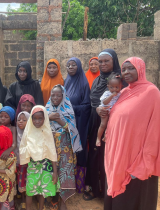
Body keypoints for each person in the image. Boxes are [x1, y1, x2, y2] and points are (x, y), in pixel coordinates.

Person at [104, 57, 160, 210]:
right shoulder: (124, 92)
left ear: (140, 69)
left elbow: (155, 131)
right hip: (117, 156)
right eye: (124, 69)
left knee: (132, 199)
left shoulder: (151, 92)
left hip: (136, 160)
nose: (126, 72)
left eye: (131, 68)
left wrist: (144, 162)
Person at [84, 49, 127, 201]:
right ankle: (96, 189)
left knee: (108, 158)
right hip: (96, 123)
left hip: (113, 125)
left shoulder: (119, 79)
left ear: (114, 61)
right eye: (100, 61)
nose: (102, 64)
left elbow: (125, 101)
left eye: (106, 61)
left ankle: (108, 192)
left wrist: (108, 110)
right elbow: (93, 100)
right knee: (95, 155)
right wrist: (97, 108)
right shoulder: (97, 80)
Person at [46, 85, 81, 209]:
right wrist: (48, 117)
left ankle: (63, 200)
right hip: (50, 145)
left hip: (65, 145)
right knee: (51, 171)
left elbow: (72, 129)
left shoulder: (68, 109)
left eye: (58, 95)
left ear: (63, 96)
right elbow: (39, 124)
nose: (55, 97)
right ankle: (54, 197)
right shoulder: (46, 109)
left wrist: (60, 120)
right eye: (53, 95)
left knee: (64, 171)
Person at [19, 106, 59, 210]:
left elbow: (52, 152)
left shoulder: (47, 132)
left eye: (40, 118)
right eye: (34, 118)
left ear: (45, 118)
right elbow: (22, 148)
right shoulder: (28, 131)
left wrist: (55, 172)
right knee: (30, 190)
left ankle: (41, 208)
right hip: (32, 165)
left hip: (46, 166)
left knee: (42, 190)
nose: (37, 121)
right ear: (31, 119)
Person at [64, 57, 91, 193]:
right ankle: (67, 183)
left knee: (78, 150)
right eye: (68, 65)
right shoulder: (67, 81)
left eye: (73, 65)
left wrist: (72, 108)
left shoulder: (84, 84)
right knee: (66, 151)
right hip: (66, 123)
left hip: (79, 123)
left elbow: (87, 106)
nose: (70, 67)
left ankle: (79, 184)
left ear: (79, 66)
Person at [96, 72, 122, 147]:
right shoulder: (107, 93)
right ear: (108, 86)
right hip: (105, 110)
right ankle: (98, 138)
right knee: (103, 124)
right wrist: (111, 95)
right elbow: (104, 101)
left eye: (117, 87)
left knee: (110, 125)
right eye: (112, 87)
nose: (114, 89)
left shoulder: (120, 94)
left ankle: (105, 137)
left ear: (121, 86)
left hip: (113, 112)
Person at [15, 111, 30, 209]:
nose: (21, 122)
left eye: (24, 120)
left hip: (28, 162)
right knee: (20, 180)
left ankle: (27, 199)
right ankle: (23, 199)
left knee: (27, 181)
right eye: (19, 120)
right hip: (18, 161)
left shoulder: (31, 133)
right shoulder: (15, 132)